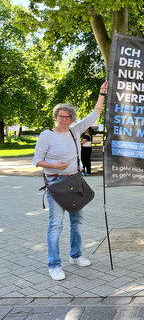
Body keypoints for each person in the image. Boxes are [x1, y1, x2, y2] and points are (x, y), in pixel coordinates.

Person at [33, 81, 108, 281]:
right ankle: (54, 265)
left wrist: (101, 93)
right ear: (55, 117)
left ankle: (76, 255)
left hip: (74, 182)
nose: (64, 119)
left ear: (72, 118)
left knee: (77, 221)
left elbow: (95, 115)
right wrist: (53, 166)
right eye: (60, 116)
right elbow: (36, 161)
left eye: (67, 116)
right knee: (56, 224)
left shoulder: (75, 131)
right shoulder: (46, 136)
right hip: (56, 183)